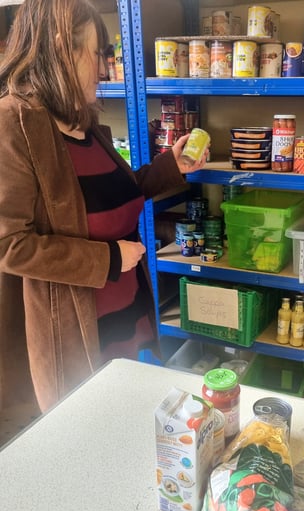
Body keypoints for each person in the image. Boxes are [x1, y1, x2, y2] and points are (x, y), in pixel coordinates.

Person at [0, 0, 207, 413]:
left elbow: (113, 195)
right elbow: (9, 245)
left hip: (128, 315)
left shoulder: (82, 123)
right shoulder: (12, 124)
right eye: (97, 53)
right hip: (78, 334)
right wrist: (109, 259)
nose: (102, 67)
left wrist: (170, 166)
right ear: (63, 45)